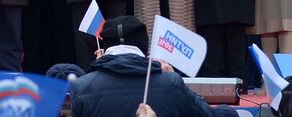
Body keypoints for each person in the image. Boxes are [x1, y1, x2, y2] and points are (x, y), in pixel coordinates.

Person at [68, 15, 218, 117]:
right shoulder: (171, 83)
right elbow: (208, 114)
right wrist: (176, 80)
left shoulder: (82, 86)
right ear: (145, 45)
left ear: (106, 47)